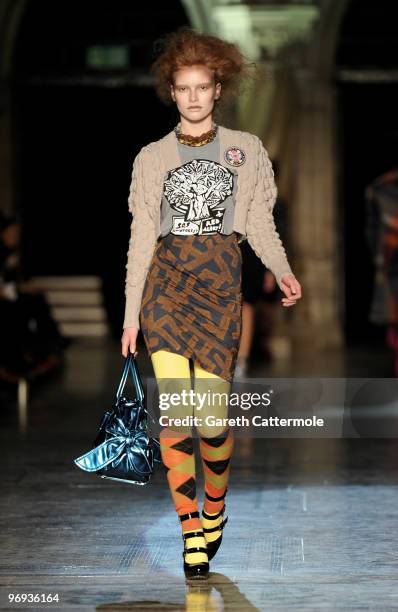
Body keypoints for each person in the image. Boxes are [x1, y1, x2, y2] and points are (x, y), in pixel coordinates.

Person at [121, 26, 302, 581]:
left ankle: (216, 504)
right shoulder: (152, 158)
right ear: (171, 92)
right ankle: (190, 530)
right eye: (184, 88)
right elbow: (140, 238)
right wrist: (132, 313)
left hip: (221, 285)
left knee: (213, 422)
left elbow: (258, 223)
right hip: (166, 288)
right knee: (177, 414)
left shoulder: (246, 151)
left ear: (218, 89)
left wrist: (282, 268)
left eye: (203, 87)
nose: (194, 97)